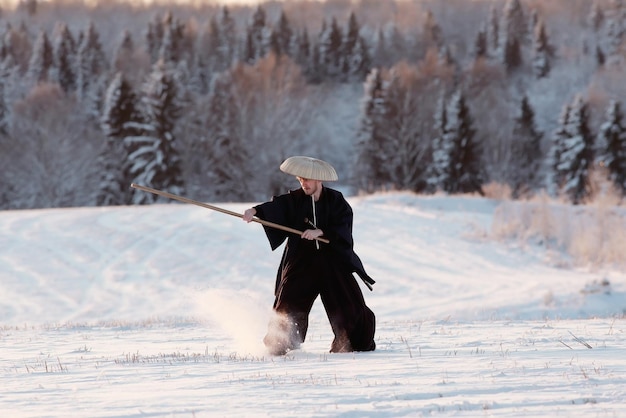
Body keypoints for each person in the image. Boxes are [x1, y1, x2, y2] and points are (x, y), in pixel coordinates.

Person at [243, 156, 376, 355]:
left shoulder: (336, 200)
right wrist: (254, 211)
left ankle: (350, 343)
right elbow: (276, 207)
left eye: (307, 180)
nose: (303, 183)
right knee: (288, 301)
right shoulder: (294, 199)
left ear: (318, 180)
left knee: (348, 302)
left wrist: (320, 232)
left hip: (333, 261)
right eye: (300, 179)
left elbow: (344, 226)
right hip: (301, 261)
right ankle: (280, 343)